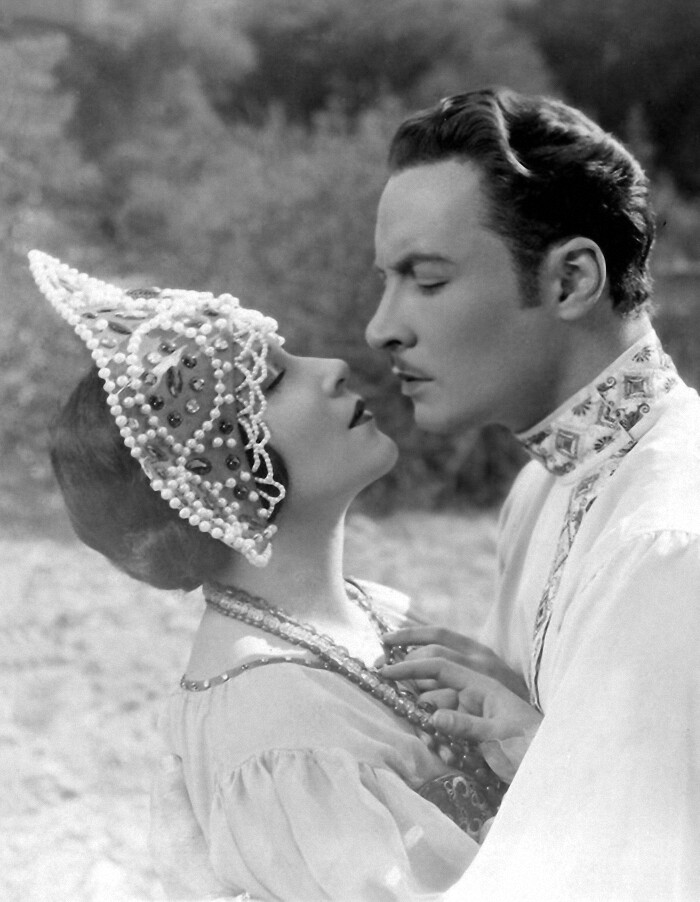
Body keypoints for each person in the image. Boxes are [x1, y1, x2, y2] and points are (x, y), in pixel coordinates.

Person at [29, 249, 529, 901]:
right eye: (272, 382)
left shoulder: (371, 610)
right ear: (218, 474)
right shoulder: (278, 722)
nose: (331, 368)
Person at [366, 88, 700, 899]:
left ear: (571, 279)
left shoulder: (665, 539)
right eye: (387, 282)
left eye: (426, 280)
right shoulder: (544, 484)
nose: (382, 328)